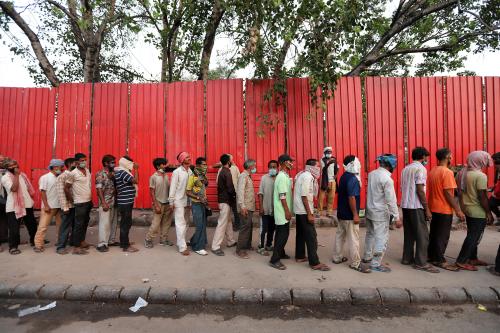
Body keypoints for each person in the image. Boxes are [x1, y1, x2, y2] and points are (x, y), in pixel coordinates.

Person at [400, 147, 439, 273]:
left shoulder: (405, 169)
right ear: (423, 157)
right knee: (422, 235)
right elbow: (420, 190)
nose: (427, 159)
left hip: (405, 205)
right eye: (426, 157)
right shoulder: (421, 169)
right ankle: (421, 263)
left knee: (409, 233)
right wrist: (427, 208)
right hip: (416, 206)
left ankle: (407, 258)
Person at [426, 148, 465, 271]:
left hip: (434, 207)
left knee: (434, 234)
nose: (452, 158)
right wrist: (458, 210)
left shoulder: (433, 170)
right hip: (444, 208)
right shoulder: (447, 172)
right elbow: (449, 193)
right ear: (448, 157)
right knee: (442, 236)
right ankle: (439, 260)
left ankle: (431, 256)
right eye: (451, 156)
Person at [455, 151, 494, 271]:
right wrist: (488, 213)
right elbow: (482, 197)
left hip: (466, 207)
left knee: (472, 234)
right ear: (479, 161)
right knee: (474, 236)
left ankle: (473, 258)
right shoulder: (480, 176)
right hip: (477, 210)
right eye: (485, 161)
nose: (486, 163)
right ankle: (461, 261)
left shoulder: (461, 172)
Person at [363, 154, 400, 273]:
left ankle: (367, 257)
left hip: (370, 211)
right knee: (382, 238)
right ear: (391, 165)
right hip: (380, 213)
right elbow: (391, 200)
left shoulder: (372, 174)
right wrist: (397, 217)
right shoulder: (387, 179)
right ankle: (375, 263)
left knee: (370, 234)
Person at [333, 155, 370, 273]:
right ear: (352, 164)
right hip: (349, 215)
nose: (359, 165)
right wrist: (355, 214)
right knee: (353, 238)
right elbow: (352, 197)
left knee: (340, 236)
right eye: (357, 162)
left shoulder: (343, 176)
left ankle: (337, 257)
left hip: (341, 213)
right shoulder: (353, 179)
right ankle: (355, 263)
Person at [294, 158, 330, 271]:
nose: (318, 169)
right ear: (311, 167)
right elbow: (304, 196)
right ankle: (314, 262)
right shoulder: (307, 177)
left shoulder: (303, 175)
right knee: (311, 236)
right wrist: (310, 213)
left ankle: (299, 256)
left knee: (301, 234)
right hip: (304, 211)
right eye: (317, 166)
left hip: (300, 210)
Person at [0, 158, 37, 254]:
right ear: (8, 168)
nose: (16, 167)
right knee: (14, 229)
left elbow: (28, 189)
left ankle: (34, 241)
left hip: (27, 204)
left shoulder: (23, 175)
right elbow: (14, 189)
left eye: (16, 164)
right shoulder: (5, 177)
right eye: (13, 165)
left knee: (32, 225)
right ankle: (13, 247)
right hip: (13, 207)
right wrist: (16, 175)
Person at [33, 159, 64, 252]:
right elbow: (43, 192)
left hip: (60, 206)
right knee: (43, 226)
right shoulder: (45, 177)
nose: (62, 169)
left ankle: (59, 241)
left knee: (60, 226)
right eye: (61, 167)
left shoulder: (60, 177)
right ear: (55, 167)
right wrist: (46, 205)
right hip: (49, 207)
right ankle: (38, 245)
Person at [269, 154, 294, 270]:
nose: (291, 163)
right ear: (283, 162)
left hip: (283, 211)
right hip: (282, 212)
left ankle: (281, 253)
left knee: (282, 234)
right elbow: (282, 196)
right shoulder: (282, 177)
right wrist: (287, 211)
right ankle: (274, 260)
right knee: (282, 236)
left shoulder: (284, 175)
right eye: (290, 161)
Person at [64, 153, 92, 255]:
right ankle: (76, 247)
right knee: (78, 225)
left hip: (88, 201)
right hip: (79, 203)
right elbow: (66, 188)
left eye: (85, 160)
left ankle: (81, 241)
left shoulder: (87, 171)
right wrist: (72, 200)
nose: (84, 162)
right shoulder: (73, 173)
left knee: (85, 223)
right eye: (82, 160)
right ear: (76, 162)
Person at [145, 157, 173, 249]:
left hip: (167, 203)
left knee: (166, 223)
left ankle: (163, 240)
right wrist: (156, 205)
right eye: (163, 164)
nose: (165, 166)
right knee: (156, 224)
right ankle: (148, 239)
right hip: (159, 203)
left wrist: (171, 202)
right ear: (158, 166)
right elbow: (152, 192)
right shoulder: (154, 177)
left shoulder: (166, 175)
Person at [211, 154, 237, 256]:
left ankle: (230, 240)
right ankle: (215, 246)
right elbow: (230, 188)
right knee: (222, 223)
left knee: (228, 221)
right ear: (229, 162)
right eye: (231, 161)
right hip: (226, 201)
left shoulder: (221, 171)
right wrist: (235, 196)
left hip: (224, 200)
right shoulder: (227, 172)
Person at [169, 152, 193, 255]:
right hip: (178, 200)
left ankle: (180, 242)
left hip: (188, 201)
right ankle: (182, 247)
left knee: (186, 223)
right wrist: (171, 201)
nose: (189, 158)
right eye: (187, 157)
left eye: (189, 156)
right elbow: (173, 187)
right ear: (182, 160)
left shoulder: (191, 171)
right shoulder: (177, 172)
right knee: (180, 224)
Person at [115, 156, 140, 253]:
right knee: (126, 224)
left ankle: (123, 242)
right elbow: (136, 181)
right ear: (125, 163)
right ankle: (126, 245)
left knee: (125, 223)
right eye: (131, 163)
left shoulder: (122, 171)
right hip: (125, 202)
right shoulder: (122, 172)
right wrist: (136, 170)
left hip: (125, 201)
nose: (133, 165)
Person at [186, 157, 209, 256]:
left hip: (203, 204)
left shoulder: (202, 175)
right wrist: (199, 198)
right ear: (198, 165)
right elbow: (187, 191)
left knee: (203, 225)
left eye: (205, 164)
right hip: (196, 204)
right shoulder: (192, 176)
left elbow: (205, 185)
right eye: (203, 165)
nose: (205, 166)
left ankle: (194, 241)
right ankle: (198, 247)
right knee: (199, 225)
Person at [95, 154, 119, 253]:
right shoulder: (100, 174)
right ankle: (102, 244)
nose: (114, 164)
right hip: (105, 202)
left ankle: (111, 241)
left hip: (114, 201)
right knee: (104, 223)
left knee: (113, 222)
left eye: (114, 162)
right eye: (112, 162)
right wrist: (103, 203)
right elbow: (99, 189)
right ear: (106, 163)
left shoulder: (113, 173)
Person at [236, 159, 257, 259]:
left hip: (250, 206)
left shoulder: (248, 176)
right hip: (246, 207)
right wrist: (242, 206)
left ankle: (247, 245)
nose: (255, 168)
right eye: (254, 166)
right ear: (250, 167)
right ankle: (240, 250)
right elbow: (240, 192)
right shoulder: (243, 176)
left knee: (249, 226)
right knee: (245, 227)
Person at [257, 160, 278, 256]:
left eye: (274, 167)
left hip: (276, 210)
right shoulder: (264, 178)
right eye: (270, 167)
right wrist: (261, 207)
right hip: (265, 208)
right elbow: (260, 193)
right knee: (264, 229)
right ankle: (261, 247)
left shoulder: (279, 178)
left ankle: (269, 244)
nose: (272, 169)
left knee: (272, 228)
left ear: (277, 168)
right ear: (268, 168)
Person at [55, 157, 76, 254]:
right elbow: (60, 193)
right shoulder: (62, 176)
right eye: (75, 163)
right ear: (71, 164)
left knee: (73, 226)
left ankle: (71, 242)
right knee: (65, 227)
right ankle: (60, 247)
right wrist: (65, 207)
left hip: (74, 205)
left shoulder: (72, 174)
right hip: (68, 206)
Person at [318, 147, 338, 216]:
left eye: (330, 152)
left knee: (331, 197)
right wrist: (329, 163)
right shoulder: (322, 160)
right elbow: (323, 169)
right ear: (325, 153)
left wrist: (335, 175)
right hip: (324, 180)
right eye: (328, 152)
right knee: (321, 197)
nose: (329, 154)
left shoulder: (334, 160)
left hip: (332, 181)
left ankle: (329, 212)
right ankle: (319, 211)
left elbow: (336, 168)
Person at [0, 155, 9, 252]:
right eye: (0, 161)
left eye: (3, 161)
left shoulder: (7, 172)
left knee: (5, 220)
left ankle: (4, 237)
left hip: (6, 200)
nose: (2, 162)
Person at [490, 152, 500, 226]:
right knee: (490, 203)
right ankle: (499, 216)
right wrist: (493, 188)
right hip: (498, 194)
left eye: (496, 162)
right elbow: (496, 183)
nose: (495, 164)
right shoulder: (497, 171)